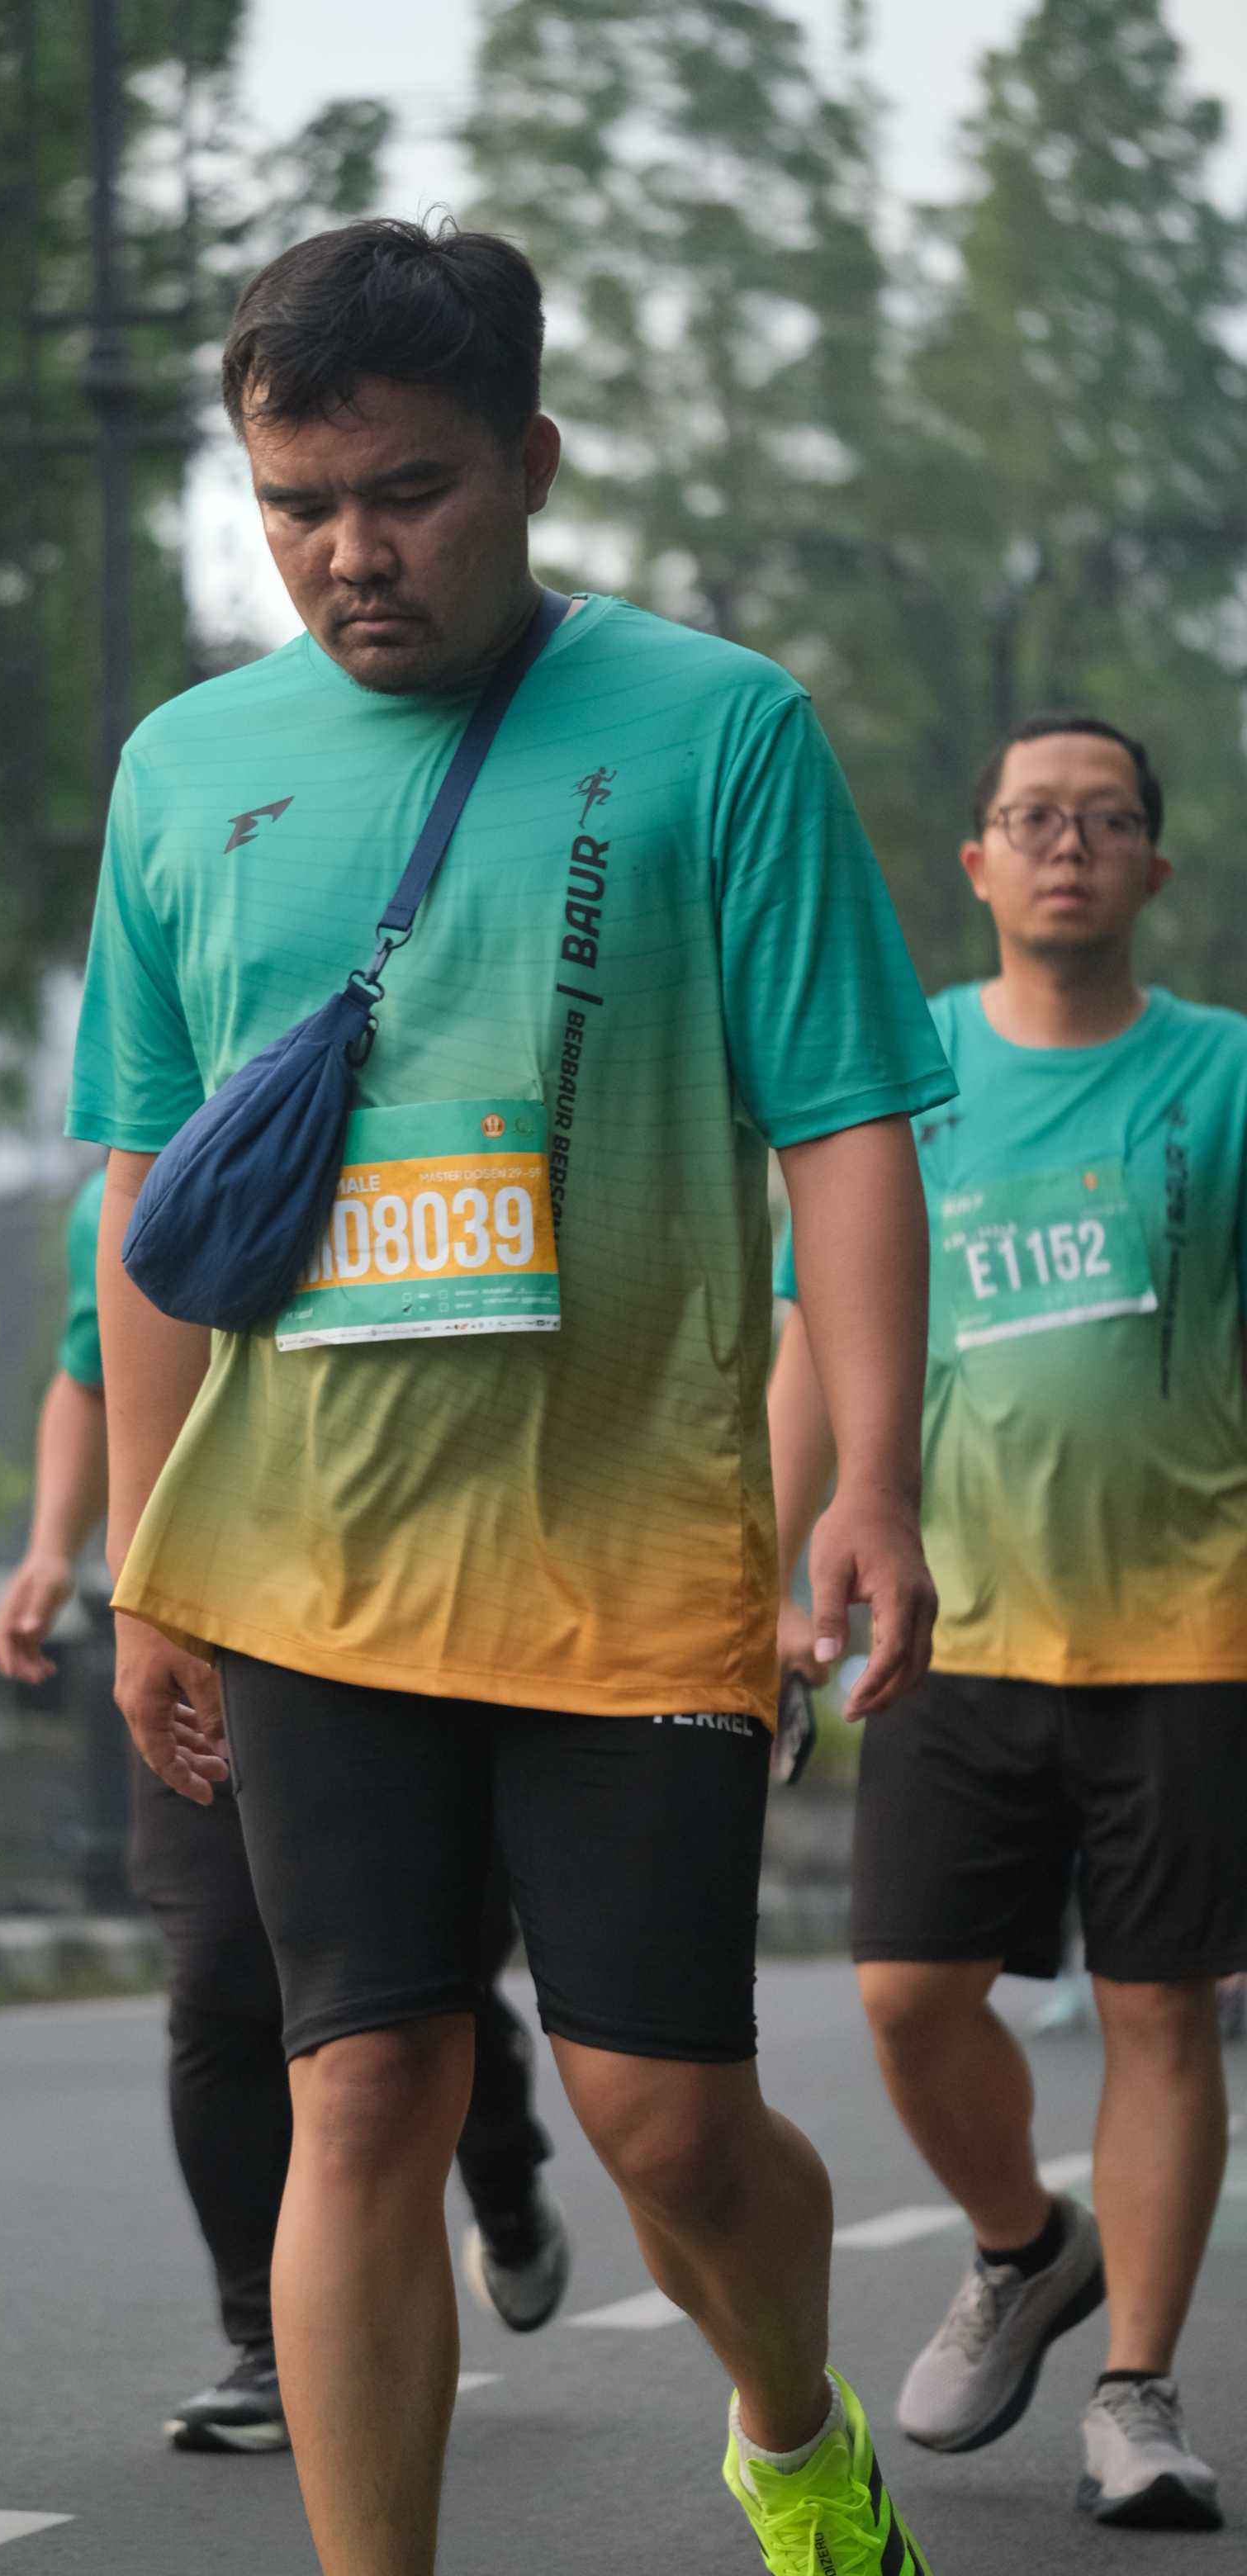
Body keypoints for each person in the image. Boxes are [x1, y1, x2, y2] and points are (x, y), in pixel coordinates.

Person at [66, 216, 957, 2574]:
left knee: (665, 2117)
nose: (350, 553)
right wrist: (152, 1556)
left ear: (532, 463)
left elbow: (848, 1122)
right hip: (309, 1557)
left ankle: (789, 2430)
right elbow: (149, 1189)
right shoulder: (184, 770)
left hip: (629, 1551)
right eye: (297, 504)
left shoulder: (718, 728)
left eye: (411, 492)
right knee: (364, 2086)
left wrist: (871, 1480)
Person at [770, 714, 1247, 2534]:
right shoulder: (900, 1075)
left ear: (1152, 868)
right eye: (1033, 818)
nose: (1067, 844)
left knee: (1157, 2010)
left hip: (1184, 1622)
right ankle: (1023, 2245)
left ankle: (1135, 2391)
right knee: (906, 1999)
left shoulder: (1223, 1076)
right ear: (972, 860)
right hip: (944, 1617)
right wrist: (772, 1570)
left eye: (1104, 820)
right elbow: (812, 1334)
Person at [0, 1164, 568, 2456]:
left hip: (417, 1620)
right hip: (205, 1629)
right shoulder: (126, 1189)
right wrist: (49, 1547)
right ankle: (267, 2342)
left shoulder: (422, 1130)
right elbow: (91, 1373)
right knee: (220, 1978)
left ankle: (504, 2173)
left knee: (415, 1975)